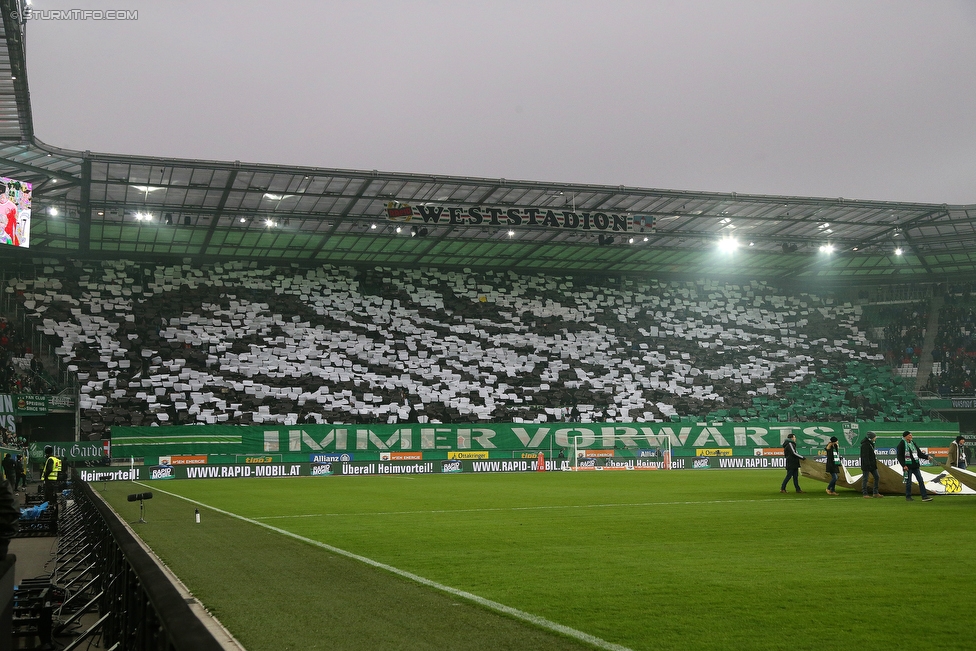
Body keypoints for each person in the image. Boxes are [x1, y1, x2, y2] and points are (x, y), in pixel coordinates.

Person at [896, 431, 932, 502]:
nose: (911, 436)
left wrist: (927, 457)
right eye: (909, 435)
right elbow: (899, 457)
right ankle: (908, 496)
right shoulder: (901, 444)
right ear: (905, 436)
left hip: (915, 466)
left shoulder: (913, 443)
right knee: (908, 482)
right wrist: (904, 465)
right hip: (907, 466)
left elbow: (919, 453)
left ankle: (924, 496)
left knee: (921, 481)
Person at [859, 432, 882, 498]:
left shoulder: (870, 444)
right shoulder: (865, 445)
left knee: (877, 477)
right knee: (865, 479)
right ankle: (865, 493)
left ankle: (875, 492)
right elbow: (865, 456)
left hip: (872, 465)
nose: (875, 438)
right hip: (867, 465)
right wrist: (867, 464)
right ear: (871, 437)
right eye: (874, 437)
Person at [41, 445, 62, 513]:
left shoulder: (50, 459)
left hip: (49, 480)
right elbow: (58, 470)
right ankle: (50, 507)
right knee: (51, 494)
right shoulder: (56, 460)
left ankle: (50, 509)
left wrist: (45, 476)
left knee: (49, 494)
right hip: (54, 479)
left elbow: (49, 469)